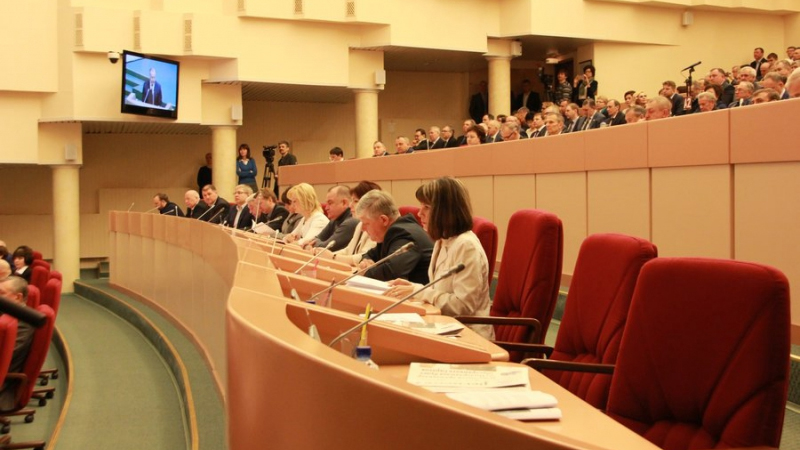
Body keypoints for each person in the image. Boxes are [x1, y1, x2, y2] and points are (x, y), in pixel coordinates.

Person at [385, 177, 493, 339]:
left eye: (426, 207)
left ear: (445, 211)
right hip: (445, 326)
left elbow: (462, 306)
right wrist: (413, 288)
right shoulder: (442, 241)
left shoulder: (466, 246)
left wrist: (418, 291)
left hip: (467, 334)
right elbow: (440, 291)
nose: (419, 213)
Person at [356, 190, 433, 284]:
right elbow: (369, 255)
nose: (362, 229)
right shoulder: (392, 232)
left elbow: (390, 273)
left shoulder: (404, 235)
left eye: (366, 223)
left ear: (383, 220)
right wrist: (366, 262)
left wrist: (366, 271)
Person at [314, 181, 381, 265]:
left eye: (355, 201)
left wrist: (332, 257)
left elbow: (364, 257)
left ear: (370, 204)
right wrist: (328, 255)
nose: (350, 205)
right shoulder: (360, 224)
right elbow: (348, 250)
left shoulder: (375, 225)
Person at [0, 276, 35, 410]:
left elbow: (5, 355)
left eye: (1, 293)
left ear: (18, 297)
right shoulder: (9, 315)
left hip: (4, 385)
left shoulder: (23, 322)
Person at [306, 185, 358, 252]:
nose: (326, 208)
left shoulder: (351, 222)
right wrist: (314, 243)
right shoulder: (335, 219)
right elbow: (316, 239)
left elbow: (325, 248)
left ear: (344, 203)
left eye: (330, 203)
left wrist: (313, 244)